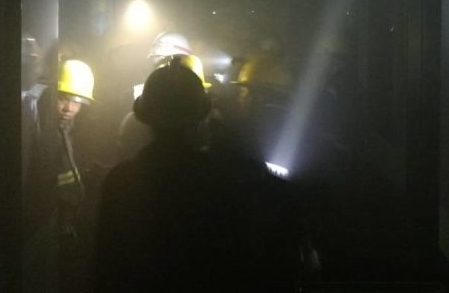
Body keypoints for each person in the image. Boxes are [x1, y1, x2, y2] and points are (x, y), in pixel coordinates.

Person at [95, 59, 299, 292]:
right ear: (200, 119)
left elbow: (105, 266)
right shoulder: (219, 181)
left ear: (146, 117)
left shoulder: (120, 180)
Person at [23, 58, 96, 292]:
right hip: (44, 225)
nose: (69, 108)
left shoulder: (66, 129)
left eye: (77, 101)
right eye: (63, 98)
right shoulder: (38, 129)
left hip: (62, 223)